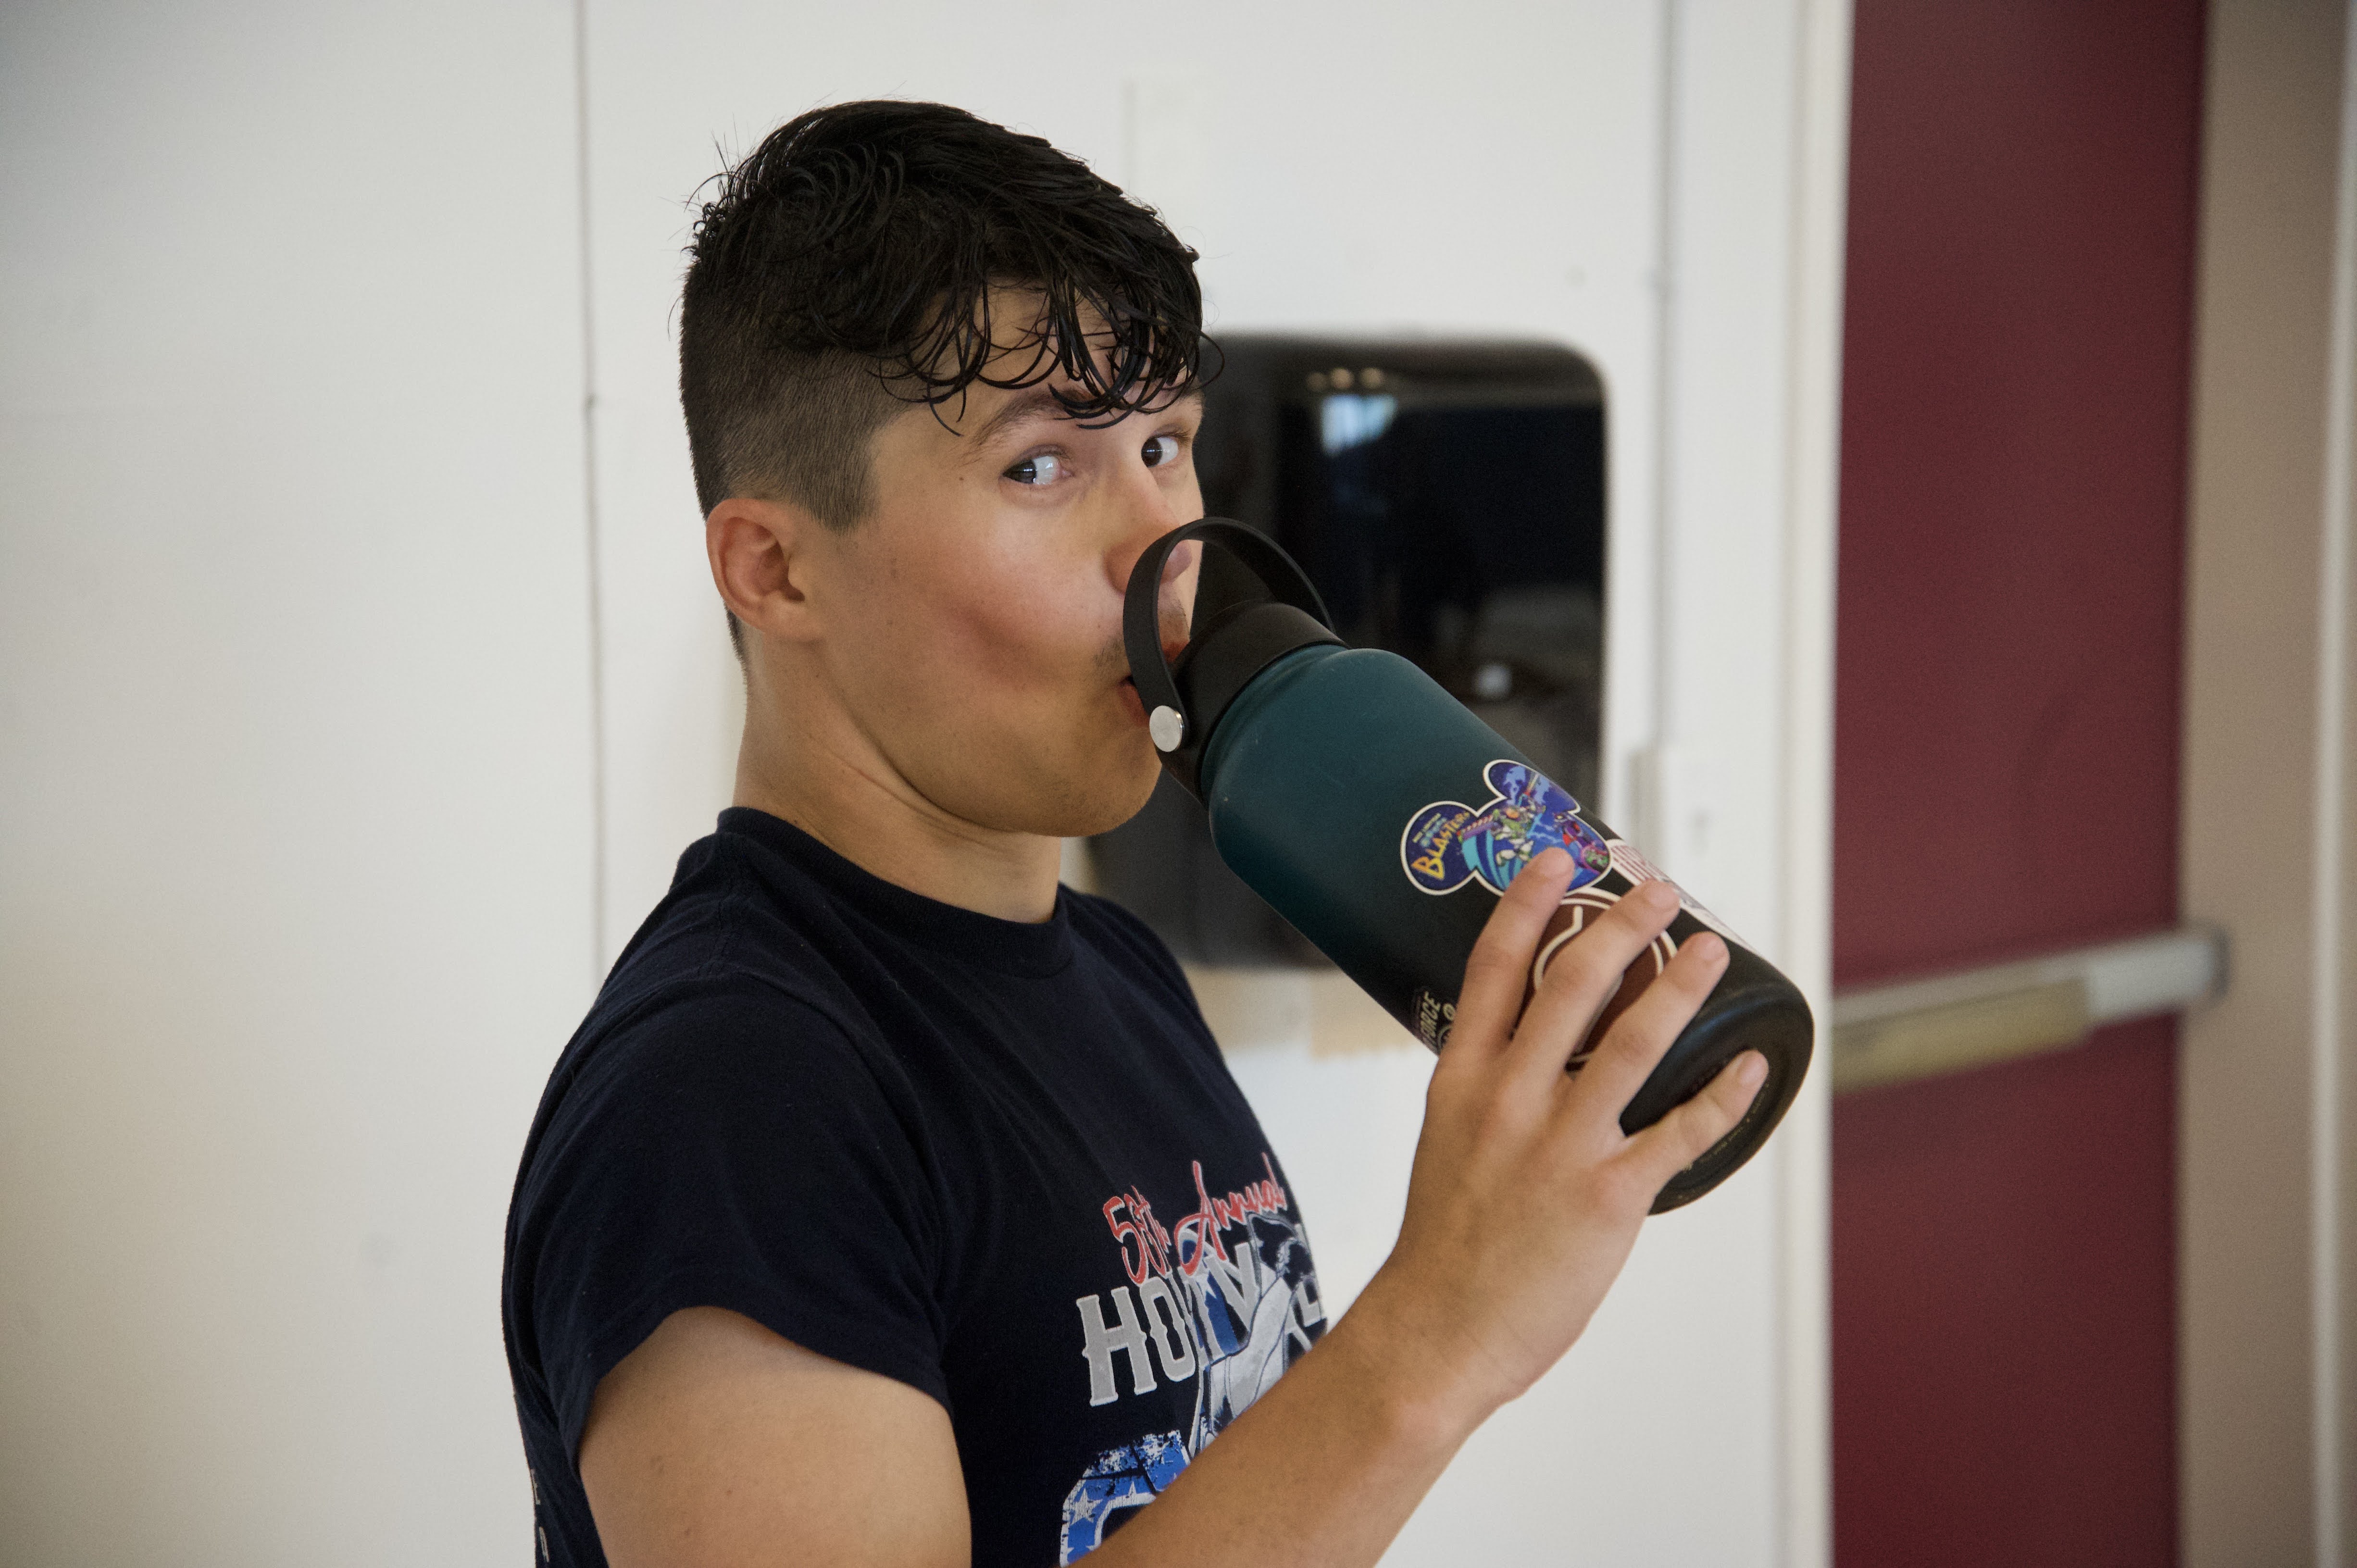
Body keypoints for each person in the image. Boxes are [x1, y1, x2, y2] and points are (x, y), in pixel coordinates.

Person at [499, 99, 1766, 1568]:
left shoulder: (1115, 966)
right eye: (1041, 466)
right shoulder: (728, 1098)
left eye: (1166, 445)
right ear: (775, 570)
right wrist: (1436, 1337)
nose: (1161, 561)